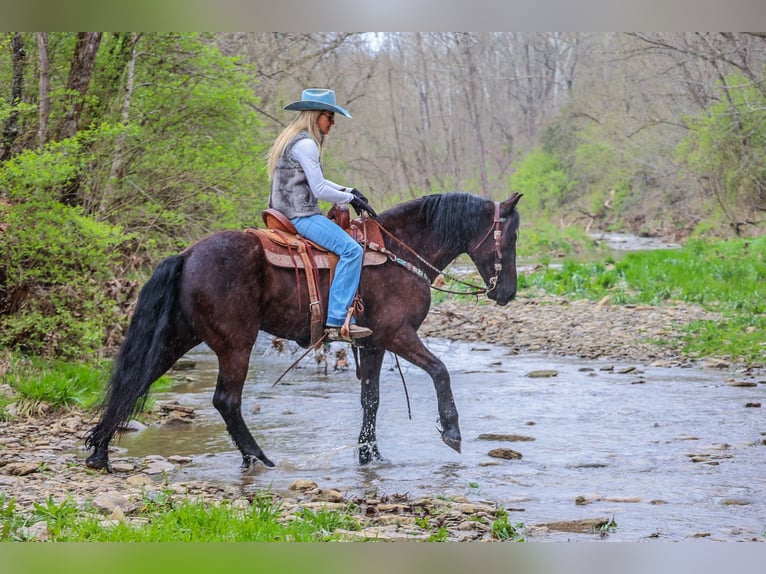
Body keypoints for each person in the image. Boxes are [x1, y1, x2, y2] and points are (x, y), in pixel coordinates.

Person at [267, 88, 377, 342]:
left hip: (283, 211)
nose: (333, 122)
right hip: (300, 215)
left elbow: (319, 181)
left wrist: (349, 191)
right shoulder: (306, 144)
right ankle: (337, 321)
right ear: (316, 116)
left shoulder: (292, 140)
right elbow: (318, 189)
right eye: (329, 116)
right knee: (352, 251)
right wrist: (350, 199)